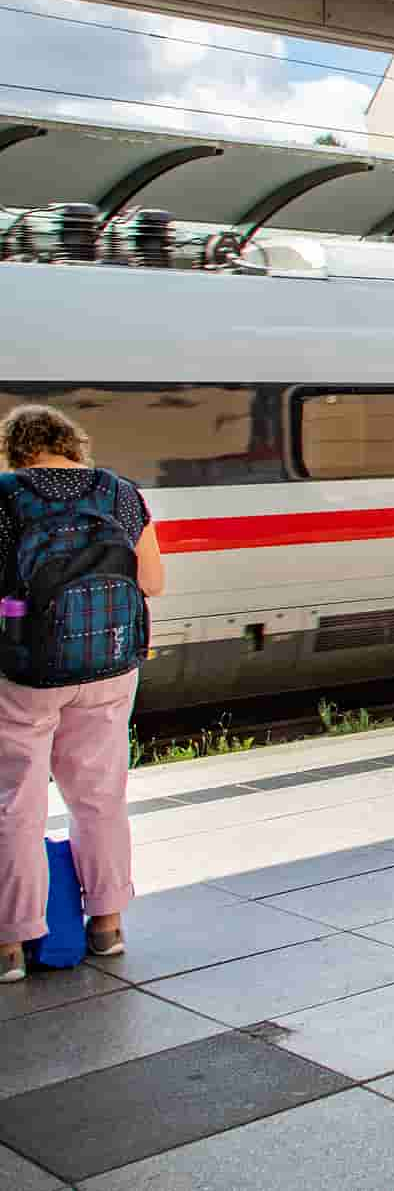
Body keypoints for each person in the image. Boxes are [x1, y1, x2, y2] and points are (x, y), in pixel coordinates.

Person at [1, 405, 162, 984]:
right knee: (100, 796)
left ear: (15, 450)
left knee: (16, 803)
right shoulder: (120, 493)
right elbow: (153, 582)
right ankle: (107, 924)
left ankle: (12, 944)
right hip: (111, 665)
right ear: (74, 444)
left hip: (27, 674)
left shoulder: (4, 496)